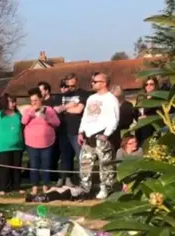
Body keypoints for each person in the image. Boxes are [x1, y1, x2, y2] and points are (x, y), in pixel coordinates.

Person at [78, 72, 120, 200]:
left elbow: (114, 118)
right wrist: (81, 132)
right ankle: (85, 189)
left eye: (95, 82)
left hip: (101, 135)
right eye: (93, 81)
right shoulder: (91, 98)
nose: (93, 84)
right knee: (85, 163)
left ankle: (105, 188)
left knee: (105, 164)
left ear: (104, 83)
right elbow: (85, 116)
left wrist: (106, 134)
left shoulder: (111, 98)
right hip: (88, 135)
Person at [22, 88, 61, 195]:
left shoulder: (49, 110)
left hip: (47, 143)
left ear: (40, 99)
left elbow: (57, 123)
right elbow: (24, 121)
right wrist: (31, 112)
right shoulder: (28, 110)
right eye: (31, 100)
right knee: (34, 166)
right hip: (32, 143)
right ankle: (34, 187)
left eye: (35, 100)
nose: (33, 102)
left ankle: (45, 186)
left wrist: (46, 117)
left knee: (46, 165)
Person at [54, 73, 89, 186]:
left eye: (72, 84)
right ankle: (66, 178)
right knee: (65, 156)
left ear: (77, 81)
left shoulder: (83, 94)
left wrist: (64, 108)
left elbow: (79, 110)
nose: (70, 87)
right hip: (63, 130)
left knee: (81, 156)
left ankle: (84, 180)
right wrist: (69, 106)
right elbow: (56, 109)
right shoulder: (61, 95)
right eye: (68, 84)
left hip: (77, 130)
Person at [0, 94, 24, 195]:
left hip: (18, 145)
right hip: (3, 146)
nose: (13, 103)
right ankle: (3, 187)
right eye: (11, 101)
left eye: (14, 101)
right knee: (5, 167)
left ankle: (17, 186)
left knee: (17, 167)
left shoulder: (18, 114)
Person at [135, 76, 160, 146]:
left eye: (151, 84)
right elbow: (136, 112)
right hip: (140, 128)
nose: (148, 86)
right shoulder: (140, 98)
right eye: (146, 84)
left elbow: (162, 114)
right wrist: (138, 117)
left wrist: (148, 117)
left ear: (156, 85)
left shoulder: (159, 99)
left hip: (152, 129)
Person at [110, 85, 135, 151]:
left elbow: (129, 120)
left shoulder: (127, 105)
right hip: (112, 133)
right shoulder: (109, 105)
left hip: (123, 132)